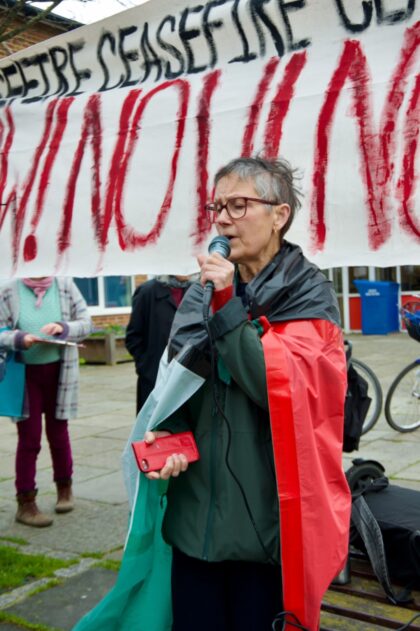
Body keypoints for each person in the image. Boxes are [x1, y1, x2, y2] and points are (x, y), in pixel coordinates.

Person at [73, 156, 351, 631]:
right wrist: (169, 437)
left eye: (238, 205)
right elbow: (178, 386)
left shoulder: (310, 295)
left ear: (279, 215)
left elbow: (278, 387)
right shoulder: (202, 293)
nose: (221, 219)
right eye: (216, 206)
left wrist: (226, 307)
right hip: (193, 521)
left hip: (263, 530)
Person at [0, 277, 92, 527]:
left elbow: (86, 322)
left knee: (59, 434)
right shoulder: (9, 289)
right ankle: (26, 503)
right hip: (25, 375)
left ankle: (65, 490)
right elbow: (1, 331)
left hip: (59, 371)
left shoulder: (64, 285)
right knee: (29, 440)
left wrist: (63, 327)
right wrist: (19, 338)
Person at [125, 275, 195, 413]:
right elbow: (133, 337)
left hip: (187, 374)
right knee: (153, 426)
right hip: (154, 376)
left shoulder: (197, 290)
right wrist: (146, 366)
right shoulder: (147, 291)